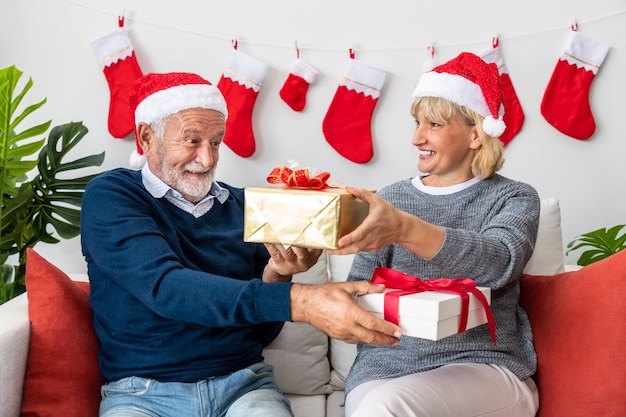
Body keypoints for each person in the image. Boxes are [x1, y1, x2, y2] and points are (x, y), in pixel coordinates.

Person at [80, 71, 401, 417]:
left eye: (215, 142)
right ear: (146, 136)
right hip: (143, 394)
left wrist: (277, 274)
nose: (207, 159)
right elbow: (166, 286)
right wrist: (303, 301)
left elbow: (260, 333)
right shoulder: (112, 196)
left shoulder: (247, 206)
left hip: (243, 386)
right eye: (192, 140)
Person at [329, 52, 541, 417]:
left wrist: (404, 228)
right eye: (416, 122)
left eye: (434, 125)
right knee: (374, 407)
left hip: (481, 365)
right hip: (382, 371)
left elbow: (500, 263)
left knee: (385, 408)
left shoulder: (513, 197)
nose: (416, 138)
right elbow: (357, 291)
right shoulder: (392, 197)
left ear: (476, 133)